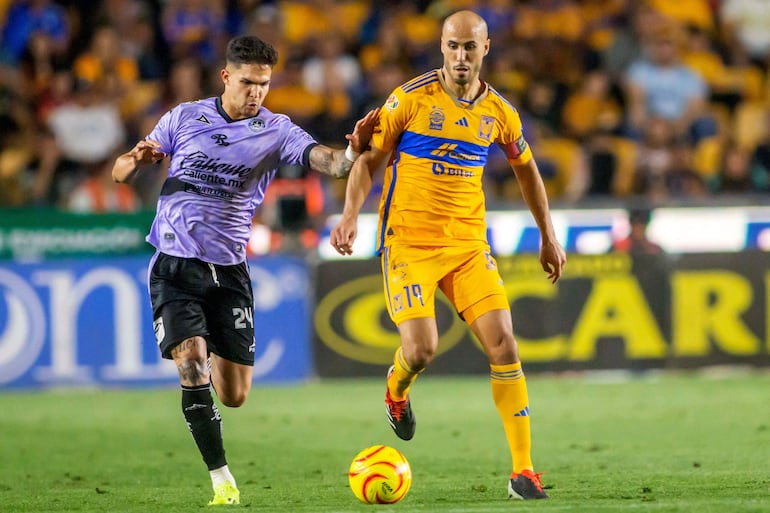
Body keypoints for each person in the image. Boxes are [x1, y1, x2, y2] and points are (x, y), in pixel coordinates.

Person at [111, 35, 378, 506]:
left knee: (234, 395)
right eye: (249, 82)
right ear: (227, 77)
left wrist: (354, 152)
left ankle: (201, 344)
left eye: (265, 84)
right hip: (174, 263)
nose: (256, 92)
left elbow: (331, 163)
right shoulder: (185, 117)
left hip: (229, 271)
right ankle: (222, 480)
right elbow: (120, 173)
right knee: (192, 365)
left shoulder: (277, 130)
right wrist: (135, 161)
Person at [330, 10, 566, 501]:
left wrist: (548, 234)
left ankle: (523, 471)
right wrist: (351, 214)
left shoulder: (500, 112)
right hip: (408, 244)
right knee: (420, 350)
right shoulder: (409, 99)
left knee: (504, 344)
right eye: (453, 46)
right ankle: (397, 391)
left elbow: (527, 171)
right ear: (442, 46)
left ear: (486, 49)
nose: (461, 56)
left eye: (470, 47)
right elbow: (369, 159)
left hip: (466, 246)